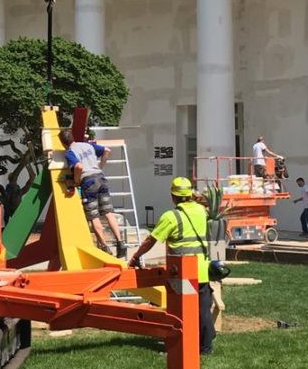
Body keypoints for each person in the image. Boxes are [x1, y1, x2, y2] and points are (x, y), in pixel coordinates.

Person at [127, 177, 214, 356]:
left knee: (178, 311)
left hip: (181, 272)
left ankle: (179, 345)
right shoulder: (201, 211)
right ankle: (205, 347)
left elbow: (151, 240)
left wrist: (136, 257)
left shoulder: (171, 217)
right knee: (202, 310)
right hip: (201, 270)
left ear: (172, 196)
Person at [59, 129, 127, 258]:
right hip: (101, 178)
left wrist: (76, 181)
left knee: (93, 216)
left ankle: (104, 247)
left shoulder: (69, 152)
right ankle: (120, 243)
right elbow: (107, 150)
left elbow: (78, 166)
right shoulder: (87, 145)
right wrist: (100, 166)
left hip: (88, 182)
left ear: (63, 143)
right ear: (73, 137)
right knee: (108, 213)